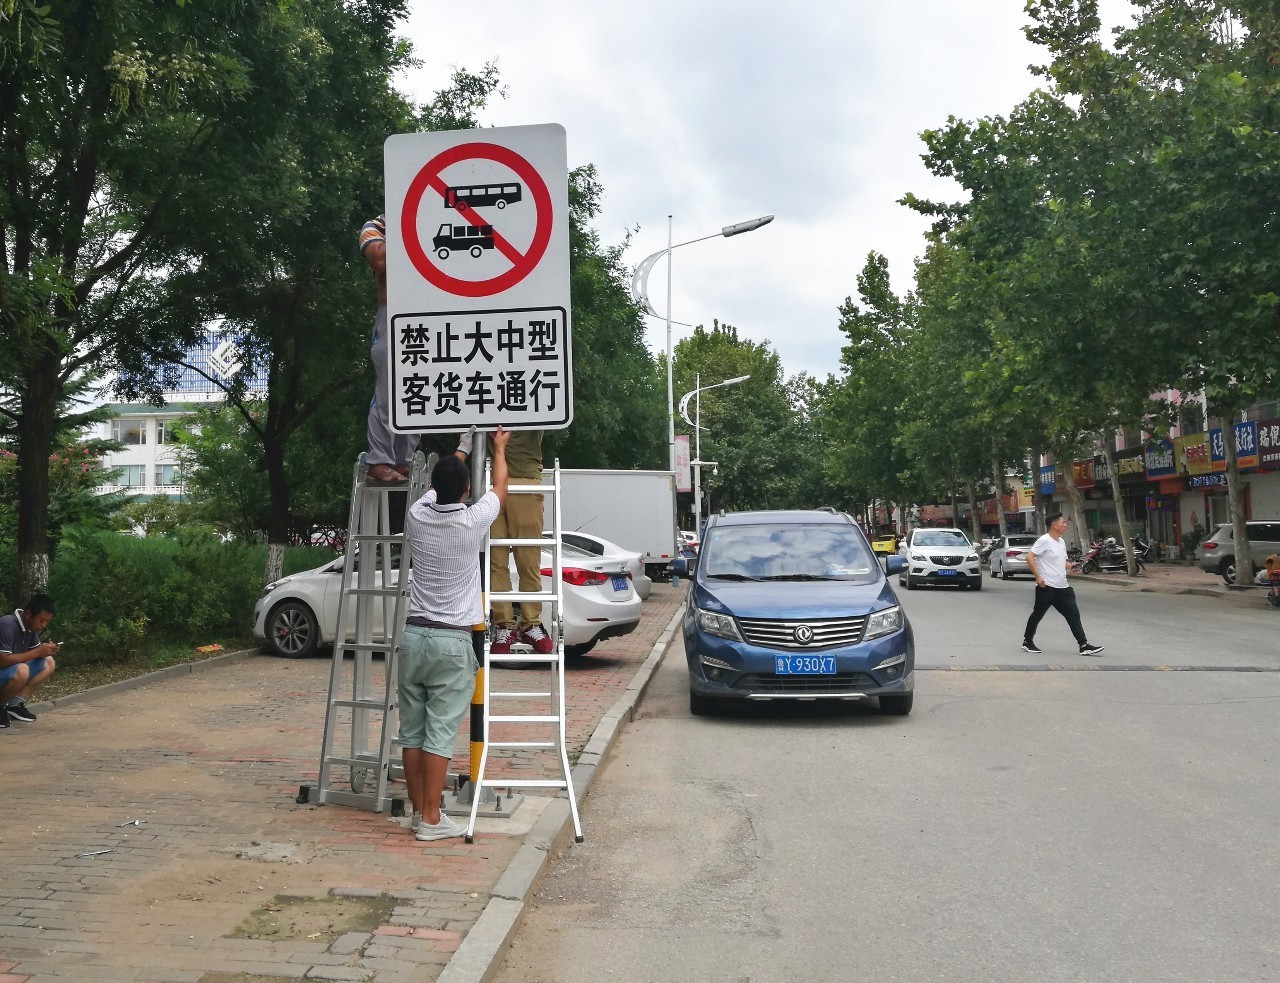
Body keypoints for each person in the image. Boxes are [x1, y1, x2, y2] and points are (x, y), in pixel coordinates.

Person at [398, 426, 510, 840]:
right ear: (466, 492)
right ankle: (431, 820)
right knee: (439, 733)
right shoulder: (471, 522)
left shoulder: (418, 515)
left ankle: (419, 812)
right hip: (451, 640)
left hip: (413, 637)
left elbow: (441, 484)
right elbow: (499, 488)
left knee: (411, 731)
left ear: (433, 488)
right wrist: (497, 448)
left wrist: (461, 449)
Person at [455, 429, 551, 655]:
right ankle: (504, 625)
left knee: (528, 559)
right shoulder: (484, 397)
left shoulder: (538, 399)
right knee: (495, 561)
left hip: (525, 476)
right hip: (490, 480)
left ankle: (531, 622)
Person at [359, 213, 418, 483]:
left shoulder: (432, 217)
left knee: (419, 387)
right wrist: (408, 228)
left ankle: (403, 459)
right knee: (388, 390)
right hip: (393, 314)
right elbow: (379, 259)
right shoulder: (376, 226)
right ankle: (380, 459)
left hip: (427, 317)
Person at [1021, 514, 1105, 656]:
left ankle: (1083, 645)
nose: (1066, 525)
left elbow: (1061, 562)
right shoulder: (1044, 540)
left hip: (1063, 587)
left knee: (1073, 615)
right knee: (1038, 614)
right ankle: (1027, 642)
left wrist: (1070, 566)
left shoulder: (1061, 542)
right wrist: (1038, 576)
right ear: (1054, 525)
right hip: (1046, 587)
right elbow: (1029, 557)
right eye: (1063, 522)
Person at [0, 594, 59, 727]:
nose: (43, 625)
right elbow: (2, 661)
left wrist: (47, 650)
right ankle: (1, 706)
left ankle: (14, 705)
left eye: (47, 622)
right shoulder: (7, 624)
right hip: (4, 670)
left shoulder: (30, 628)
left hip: (9, 673)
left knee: (48, 661)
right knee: (22, 669)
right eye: (41, 620)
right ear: (28, 614)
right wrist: (37, 652)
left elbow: (36, 653)